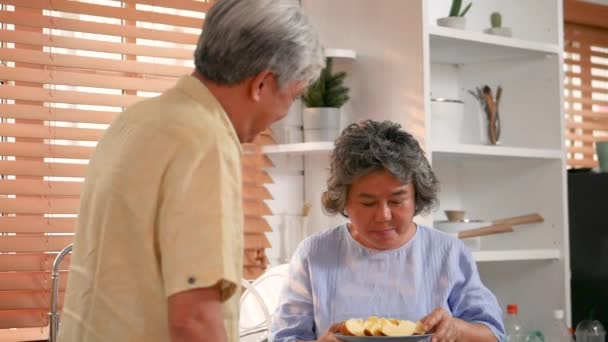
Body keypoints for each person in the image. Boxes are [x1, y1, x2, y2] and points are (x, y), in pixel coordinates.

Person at [58, 1, 323, 341]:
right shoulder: (206, 140)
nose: (284, 114)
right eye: (293, 96)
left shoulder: (137, 119)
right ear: (262, 84)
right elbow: (195, 319)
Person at [270, 120, 505, 342]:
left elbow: (493, 334)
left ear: (416, 197)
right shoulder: (315, 253)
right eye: (368, 203)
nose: (383, 216)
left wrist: (457, 328)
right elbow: (282, 338)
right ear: (343, 201)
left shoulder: (448, 252)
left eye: (396, 201)